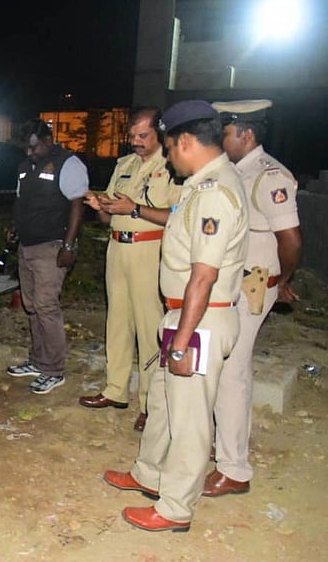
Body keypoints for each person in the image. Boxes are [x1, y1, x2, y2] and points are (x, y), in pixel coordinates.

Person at [103, 100, 249, 532]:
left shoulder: (214, 192)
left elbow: (203, 277)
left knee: (189, 420)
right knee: (166, 405)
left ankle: (175, 509)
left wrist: (183, 340)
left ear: (185, 141)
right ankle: (149, 474)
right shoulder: (202, 184)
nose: (167, 158)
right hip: (183, 317)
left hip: (199, 320)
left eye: (169, 148)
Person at [204, 99, 302, 497]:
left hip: (253, 284)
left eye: (226, 132)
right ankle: (224, 444)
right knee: (224, 366)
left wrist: (283, 280)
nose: (221, 139)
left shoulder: (269, 176)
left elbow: (290, 238)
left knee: (232, 372)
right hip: (232, 281)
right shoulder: (233, 172)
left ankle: (234, 469)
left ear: (247, 134)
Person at [79, 108, 182, 431]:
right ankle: (116, 389)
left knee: (150, 326)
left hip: (150, 250)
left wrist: (134, 208)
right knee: (118, 321)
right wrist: (101, 207)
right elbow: (110, 215)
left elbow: (177, 216)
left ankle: (152, 402)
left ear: (160, 135)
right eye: (132, 136)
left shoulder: (173, 166)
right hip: (117, 248)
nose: (136, 142)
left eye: (143, 136)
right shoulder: (124, 165)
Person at [6, 119, 87, 394]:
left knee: (46, 306)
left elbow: (77, 205)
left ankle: (54, 370)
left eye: (33, 147)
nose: (29, 154)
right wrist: (15, 227)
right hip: (27, 246)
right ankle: (39, 360)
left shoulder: (68, 163)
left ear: (48, 139)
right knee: (31, 306)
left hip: (52, 245)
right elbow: (22, 200)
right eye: (25, 149)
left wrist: (69, 245)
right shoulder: (24, 167)